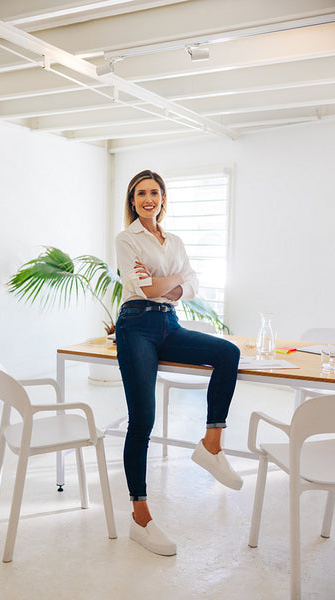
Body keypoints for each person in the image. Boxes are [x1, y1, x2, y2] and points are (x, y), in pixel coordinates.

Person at [115, 170, 242, 556]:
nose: (148, 199)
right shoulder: (126, 239)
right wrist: (174, 282)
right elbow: (149, 288)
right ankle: (140, 517)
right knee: (143, 421)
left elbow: (192, 284)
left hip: (169, 324)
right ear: (133, 201)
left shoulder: (175, 240)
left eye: (155, 192)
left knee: (227, 353)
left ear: (163, 197)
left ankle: (211, 444)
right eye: (141, 194)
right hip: (136, 325)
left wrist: (170, 283)